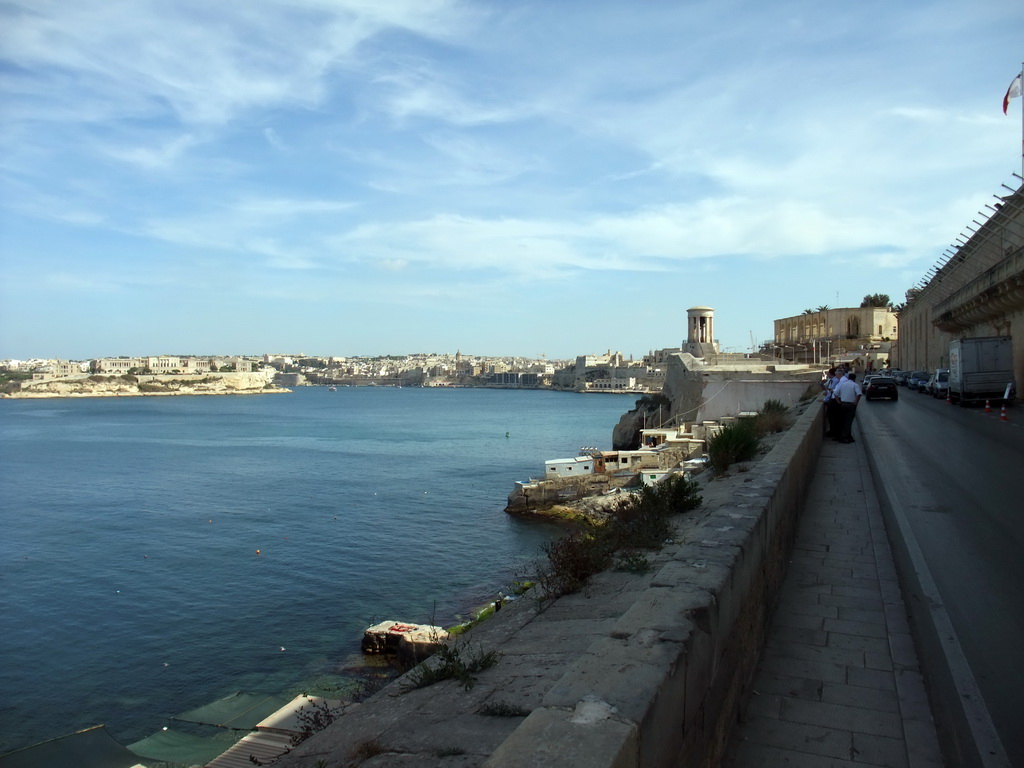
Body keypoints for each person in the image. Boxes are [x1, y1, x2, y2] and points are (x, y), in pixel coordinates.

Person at [833, 372, 862, 443]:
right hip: (851, 405)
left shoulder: (842, 384)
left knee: (842, 421)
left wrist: (838, 402)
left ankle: (848, 436)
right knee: (848, 422)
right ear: (854, 379)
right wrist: (856, 402)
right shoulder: (855, 385)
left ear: (848, 378)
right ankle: (844, 437)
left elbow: (835, 393)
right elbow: (859, 394)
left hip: (843, 404)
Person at [821, 367, 841, 436]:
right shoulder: (831, 380)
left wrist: (825, 399)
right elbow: (827, 389)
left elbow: (831, 391)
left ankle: (834, 432)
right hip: (831, 399)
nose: (828, 374)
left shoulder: (835, 381)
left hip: (834, 400)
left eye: (828, 373)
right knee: (831, 417)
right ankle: (832, 431)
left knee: (833, 417)